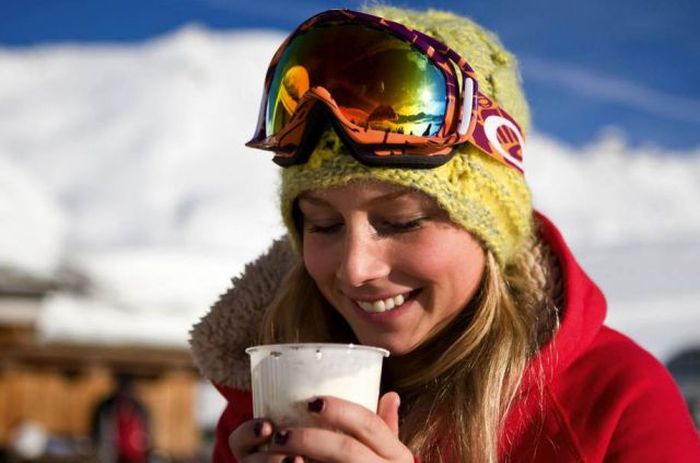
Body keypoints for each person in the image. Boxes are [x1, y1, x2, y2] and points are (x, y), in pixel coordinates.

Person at [190, 6, 700, 462]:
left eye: (402, 221)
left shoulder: (618, 405)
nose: (355, 268)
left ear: (490, 229)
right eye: (323, 225)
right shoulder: (269, 397)